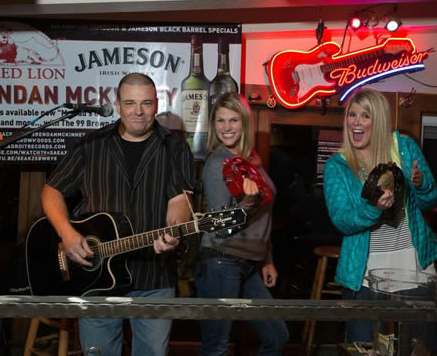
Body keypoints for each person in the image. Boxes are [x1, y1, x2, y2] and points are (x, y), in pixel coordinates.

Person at [41, 72, 195, 356]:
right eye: (130, 103)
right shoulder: (91, 145)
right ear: (117, 104)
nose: (138, 111)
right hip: (95, 278)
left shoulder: (174, 147)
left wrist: (174, 230)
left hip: (153, 278)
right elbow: (51, 192)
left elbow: (180, 199)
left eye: (146, 103)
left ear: (157, 103)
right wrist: (68, 234)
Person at [322, 88, 437, 345]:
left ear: (377, 121)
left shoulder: (404, 148)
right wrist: (373, 208)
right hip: (364, 276)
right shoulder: (338, 165)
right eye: (352, 115)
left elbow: (430, 200)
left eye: (365, 116)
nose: (356, 122)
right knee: (364, 348)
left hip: (413, 269)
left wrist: (420, 184)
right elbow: (341, 220)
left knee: (419, 349)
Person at [195, 91, 289, 356]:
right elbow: (218, 225)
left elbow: (263, 216)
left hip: (247, 262)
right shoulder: (218, 163)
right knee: (216, 347)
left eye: (233, 120)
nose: (226, 127)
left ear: (245, 122)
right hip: (220, 259)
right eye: (220, 120)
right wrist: (246, 202)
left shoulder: (252, 160)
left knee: (277, 336)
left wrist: (267, 259)